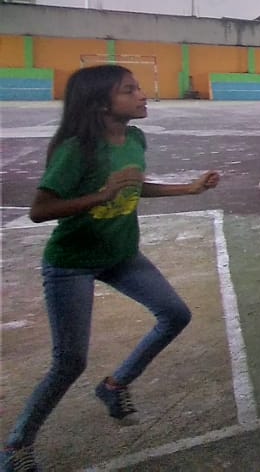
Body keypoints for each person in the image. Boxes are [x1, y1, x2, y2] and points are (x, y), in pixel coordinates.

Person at [2, 66, 220, 472]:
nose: (142, 95)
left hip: (121, 255)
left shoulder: (134, 138)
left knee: (175, 314)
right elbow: (40, 210)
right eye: (129, 90)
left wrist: (188, 188)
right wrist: (100, 195)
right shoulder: (77, 149)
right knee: (69, 362)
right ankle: (17, 446)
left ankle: (114, 385)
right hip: (73, 264)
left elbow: (132, 186)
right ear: (102, 103)